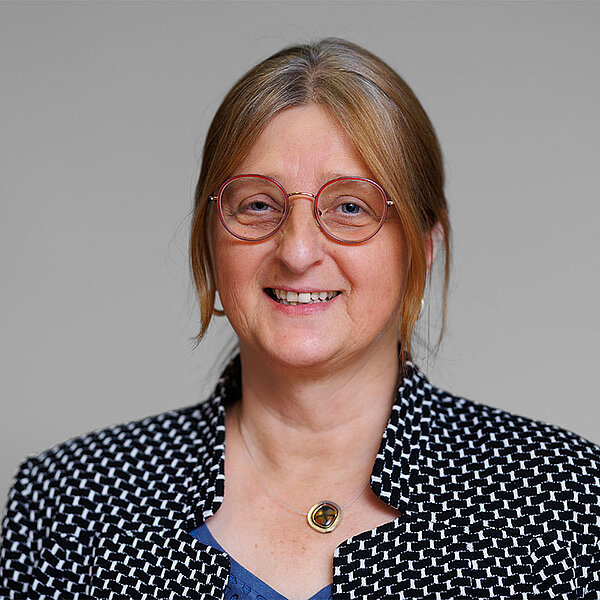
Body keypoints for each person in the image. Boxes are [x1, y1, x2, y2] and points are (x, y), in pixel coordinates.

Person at [1, 37, 599, 600]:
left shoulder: (564, 502)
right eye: (258, 204)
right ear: (210, 238)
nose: (298, 250)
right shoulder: (66, 503)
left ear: (423, 245)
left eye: (350, 206)